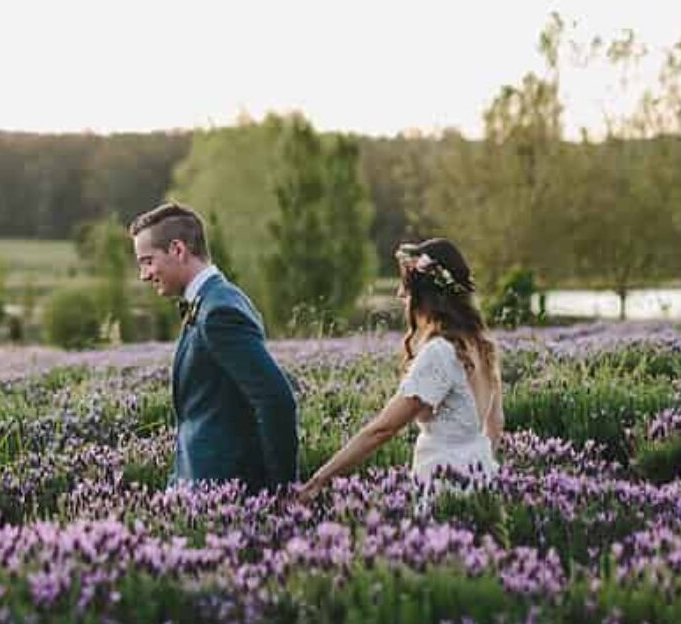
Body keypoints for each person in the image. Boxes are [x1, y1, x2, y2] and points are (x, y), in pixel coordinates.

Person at [298, 238, 502, 498]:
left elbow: (382, 430)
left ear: (425, 295)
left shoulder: (441, 352)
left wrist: (318, 480)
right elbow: (495, 425)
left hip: (445, 488)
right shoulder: (482, 344)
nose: (400, 295)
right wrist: (478, 467)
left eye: (405, 286)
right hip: (482, 482)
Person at [130, 201, 298, 492]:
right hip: (199, 490)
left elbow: (276, 400)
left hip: (226, 495)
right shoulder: (217, 300)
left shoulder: (219, 310)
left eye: (147, 261)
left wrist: (281, 492)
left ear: (178, 250)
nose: (144, 275)